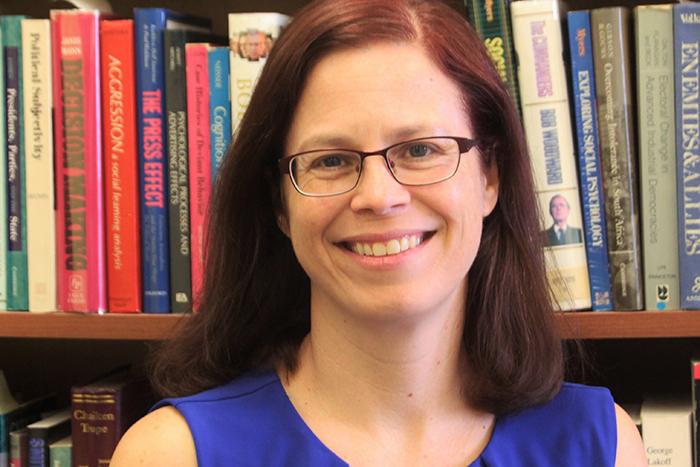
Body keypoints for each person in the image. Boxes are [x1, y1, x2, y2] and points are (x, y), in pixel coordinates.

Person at [111, 0, 646, 465]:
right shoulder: (172, 455)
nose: (378, 197)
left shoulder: (603, 446)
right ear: (279, 203)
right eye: (331, 160)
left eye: (419, 150)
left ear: (490, 177)